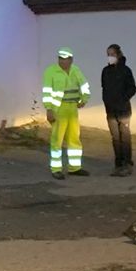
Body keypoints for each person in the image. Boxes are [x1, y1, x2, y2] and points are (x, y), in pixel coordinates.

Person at [42, 48, 91, 178]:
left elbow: (84, 85)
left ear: (71, 59)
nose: (62, 61)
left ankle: (74, 168)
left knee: (74, 138)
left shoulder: (75, 70)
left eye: (65, 59)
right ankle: (56, 169)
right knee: (57, 139)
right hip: (58, 109)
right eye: (60, 58)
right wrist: (49, 109)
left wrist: (84, 99)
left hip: (72, 109)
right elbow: (47, 92)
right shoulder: (51, 71)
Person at [102, 44, 136, 177]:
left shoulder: (126, 70)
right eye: (108, 54)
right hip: (110, 111)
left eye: (112, 54)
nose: (109, 57)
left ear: (118, 54)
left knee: (125, 137)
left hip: (123, 110)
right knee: (115, 138)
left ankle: (127, 164)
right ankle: (118, 164)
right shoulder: (105, 71)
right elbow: (104, 89)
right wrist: (106, 102)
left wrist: (123, 99)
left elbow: (132, 88)